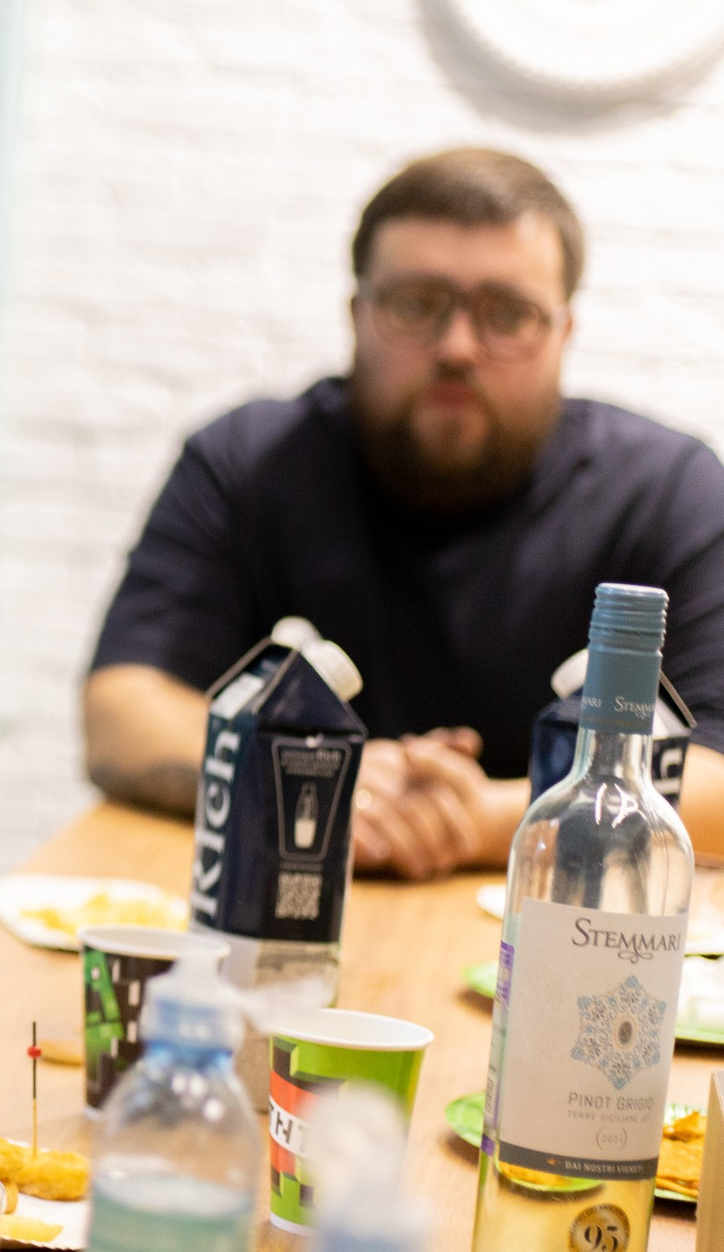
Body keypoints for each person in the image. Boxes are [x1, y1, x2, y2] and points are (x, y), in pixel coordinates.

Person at [85, 147, 724, 877]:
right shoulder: (245, 461)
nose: (457, 347)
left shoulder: (666, 491)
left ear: (564, 333)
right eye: (416, 304)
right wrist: (319, 781)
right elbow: (120, 711)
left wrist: (488, 820)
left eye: (508, 314)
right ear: (356, 315)